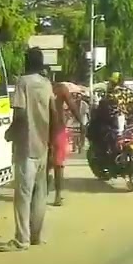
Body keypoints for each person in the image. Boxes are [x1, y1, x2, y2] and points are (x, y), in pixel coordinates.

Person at [4, 49, 54, 251]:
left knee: (23, 195)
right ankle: (36, 236)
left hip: (27, 145)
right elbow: (53, 111)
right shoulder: (46, 83)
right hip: (44, 144)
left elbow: (20, 114)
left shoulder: (23, 82)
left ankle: (21, 239)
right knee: (40, 194)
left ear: (27, 62)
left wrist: (10, 132)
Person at [48, 78, 84, 207]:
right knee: (58, 165)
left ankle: (43, 191)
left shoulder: (43, 89)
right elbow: (72, 107)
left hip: (43, 130)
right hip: (58, 130)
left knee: (44, 164)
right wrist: (81, 122)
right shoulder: (61, 89)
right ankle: (57, 195)